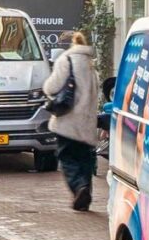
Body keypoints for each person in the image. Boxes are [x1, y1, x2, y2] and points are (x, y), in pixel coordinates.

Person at [43, 33, 105, 213]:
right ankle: (85, 193)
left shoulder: (66, 59)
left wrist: (47, 89)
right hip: (87, 123)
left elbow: (51, 87)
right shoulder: (91, 64)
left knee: (67, 157)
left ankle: (79, 188)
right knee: (84, 160)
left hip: (68, 121)